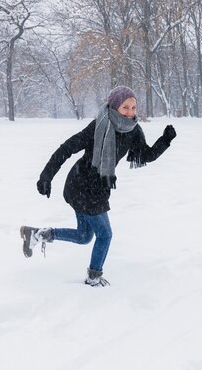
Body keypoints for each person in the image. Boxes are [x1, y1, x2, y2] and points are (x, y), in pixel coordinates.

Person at [20, 86, 176, 287]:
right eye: (125, 107)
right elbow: (67, 148)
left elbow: (145, 155)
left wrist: (165, 140)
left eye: (133, 107)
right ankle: (93, 277)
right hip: (80, 186)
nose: (130, 112)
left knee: (84, 236)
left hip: (99, 188)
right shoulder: (99, 126)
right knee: (105, 235)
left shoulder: (133, 130)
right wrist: (46, 176)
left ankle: (38, 234)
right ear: (113, 107)